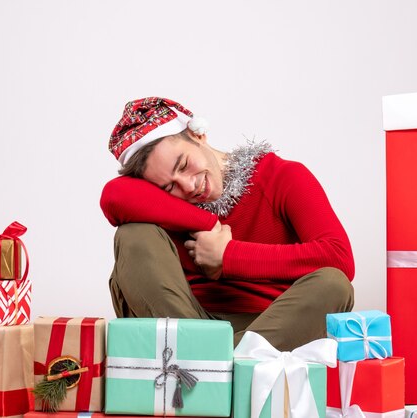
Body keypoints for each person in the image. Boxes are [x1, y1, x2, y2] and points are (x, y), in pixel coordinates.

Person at [100, 97, 355, 351]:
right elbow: (113, 195)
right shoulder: (160, 203)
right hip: (187, 321)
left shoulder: (282, 176)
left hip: (270, 328)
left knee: (335, 284)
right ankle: (216, 361)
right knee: (134, 234)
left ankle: (211, 362)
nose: (188, 186)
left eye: (184, 165)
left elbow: (339, 257)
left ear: (197, 134)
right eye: (169, 186)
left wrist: (228, 255)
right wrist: (208, 223)